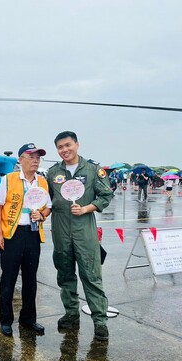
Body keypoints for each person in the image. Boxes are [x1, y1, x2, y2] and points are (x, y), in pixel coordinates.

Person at [46, 131, 113, 342]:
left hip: (85, 233)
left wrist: (86, 209)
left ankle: (100, 321)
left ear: (77, 144)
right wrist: (41, 211)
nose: (64, 150)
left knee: (91, 276)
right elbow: (47, 201)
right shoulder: (52, 173)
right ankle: (71, 313)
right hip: (61, 232)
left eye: (68, 145)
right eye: (60, 147)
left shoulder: (93, 170)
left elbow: (106, 195)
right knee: (65, 275)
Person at [0, 143, 52, 337]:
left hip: (33, 234)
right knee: (8, 278)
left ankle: (28, 318)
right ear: (20, 160)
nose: (35, 160)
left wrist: (42, 215)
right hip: (13, 234)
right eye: (31, 156)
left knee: (30, 279)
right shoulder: (9, 179)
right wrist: (0, 233)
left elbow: (48, 207)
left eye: (38, 157)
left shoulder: (42, 181)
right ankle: (6, 320)